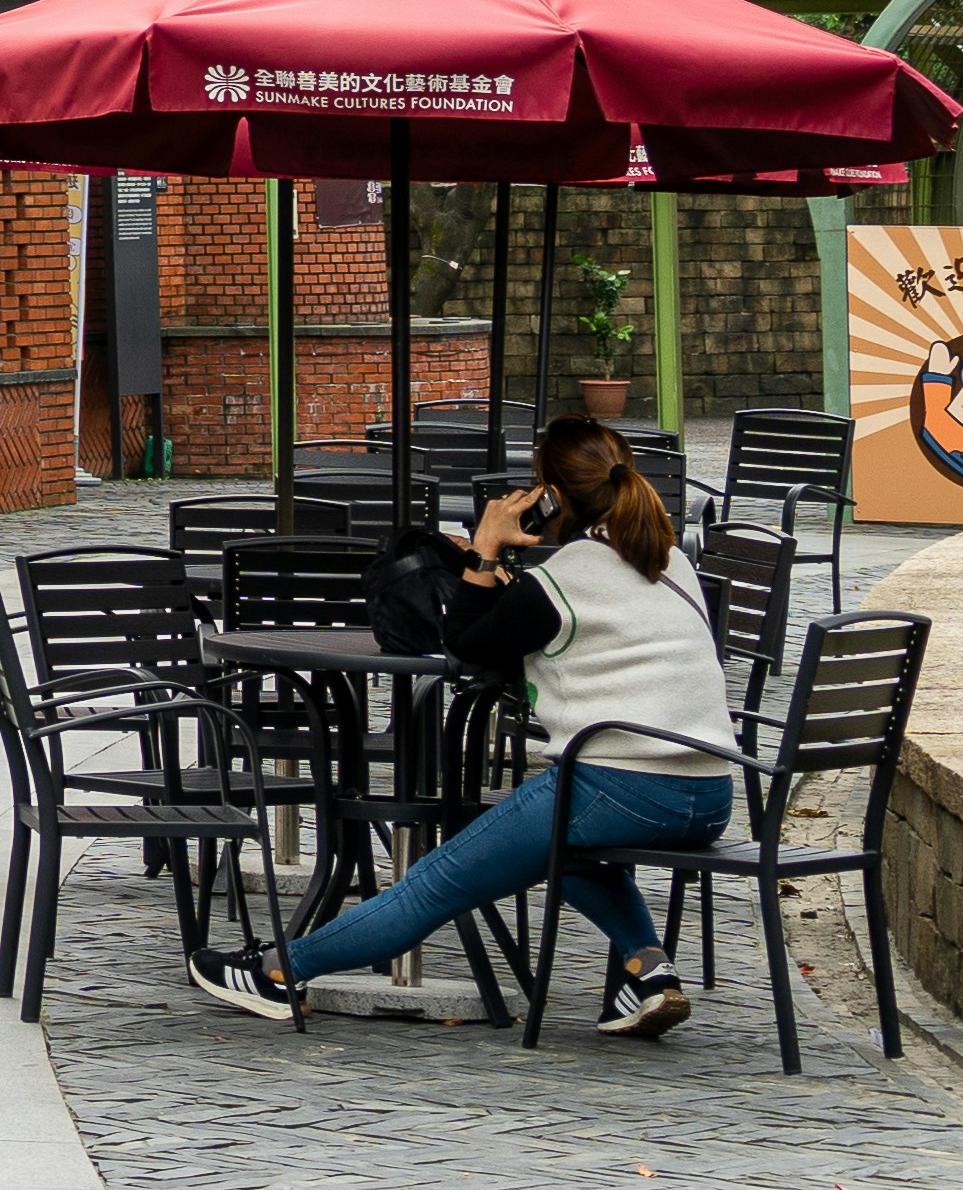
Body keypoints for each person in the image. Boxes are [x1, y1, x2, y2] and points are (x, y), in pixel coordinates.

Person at [192, 416, 740, 1040]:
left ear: (551, 494)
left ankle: (279, 972)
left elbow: (465, 647)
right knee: (572, 851)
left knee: (435, 882)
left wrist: (486, 548)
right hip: (709, 793)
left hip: (617, 787)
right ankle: (648, 974)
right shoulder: (670, 562)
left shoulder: (562, 581)